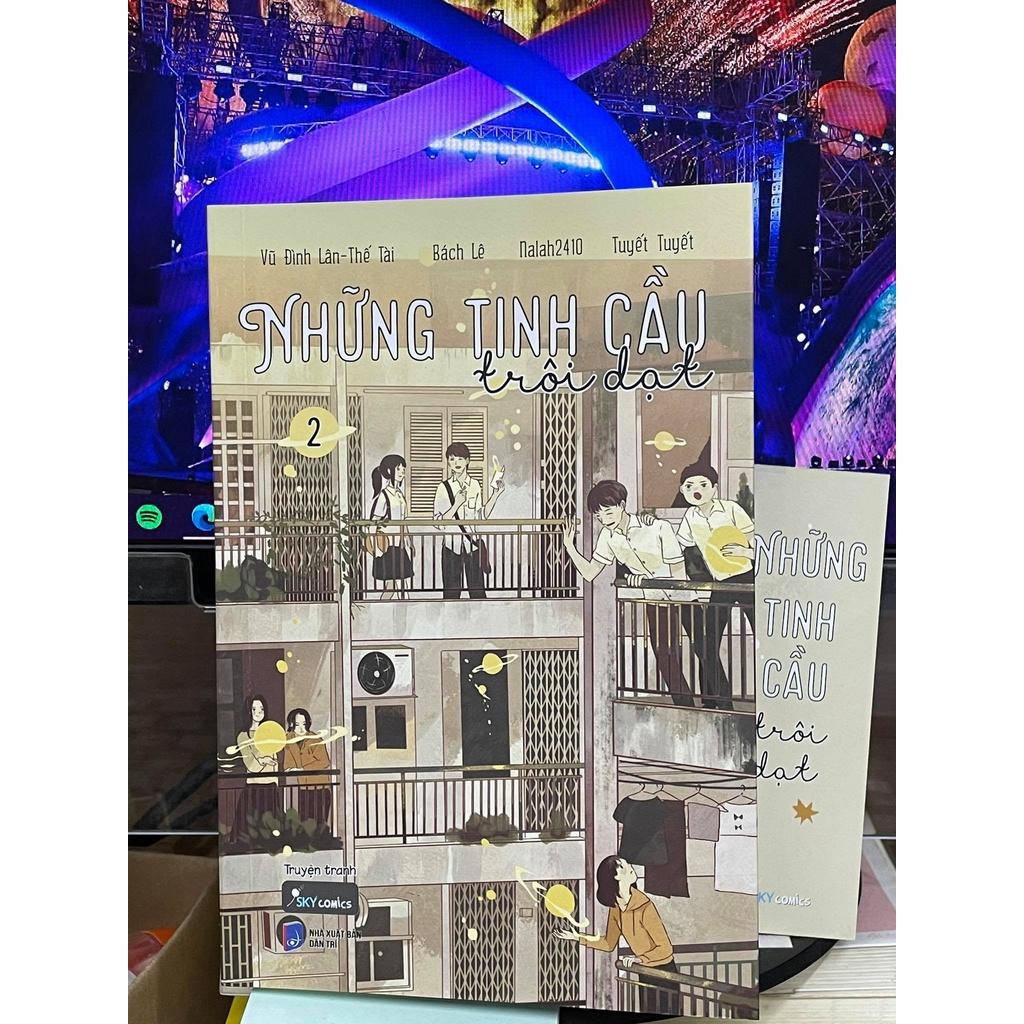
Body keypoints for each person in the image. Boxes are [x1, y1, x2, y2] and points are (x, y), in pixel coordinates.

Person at [561, 480, 696, 707]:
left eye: (608, 511)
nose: (604, 519)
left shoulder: (656, 527)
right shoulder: (608, 537)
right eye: (599, 516)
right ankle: (685, 704)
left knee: (702, 650)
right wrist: (569, 546)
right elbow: (590, 573)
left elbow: (678, 571)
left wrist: (648, 582)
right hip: (656, 601)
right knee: (664, 654)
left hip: (685, 597)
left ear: (622, 505)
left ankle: (716, 703)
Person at [672, 457, 755, 711]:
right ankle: (714, 700)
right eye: (689, 486)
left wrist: (746, 552)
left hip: (747, 578)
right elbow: (680, 549)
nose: (696, 490)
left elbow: (755, 540)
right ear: (682, 490)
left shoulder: (731, 509)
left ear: (714, 488)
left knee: (763, 635)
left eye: (702, 484)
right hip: (719, 583)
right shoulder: (689, 517)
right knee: (708, 643)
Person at [556, 856, 681, 1013]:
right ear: (614, 877)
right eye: (623, 867)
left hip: (664, 973)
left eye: (628, 864)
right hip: (645, 972)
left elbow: (665, 949)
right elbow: (609, 944)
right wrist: (577, 937)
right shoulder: (616, 908)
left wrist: (638, 959)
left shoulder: (645, 906)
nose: (630, 868)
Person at [433, 441, 503, 599]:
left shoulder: (475, 485)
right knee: (451, 594)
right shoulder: (443, 487)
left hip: (472, 545)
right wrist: (456, 505)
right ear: (448, 462)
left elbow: (480, 516)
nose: (456, 463)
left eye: (460, 458)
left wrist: (495, 495)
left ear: (467, 460)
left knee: (478, 593)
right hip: (451, 546)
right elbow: (438, 523)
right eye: (452, 459)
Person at [368, 453, 414, 598]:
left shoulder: (400, 495)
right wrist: (376, 549)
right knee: (396, 586)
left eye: (403, 469)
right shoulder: (383, 496)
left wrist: (409, 541)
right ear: (389, 471)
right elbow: (373, 523)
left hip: (399, 546)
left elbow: (403, 521)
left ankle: (389, 608)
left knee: (396, 586)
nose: (402, 472)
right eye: (398, 469)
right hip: (387, 546)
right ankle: (398, 607)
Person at [234, 695, 280, 836]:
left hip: (270, 785)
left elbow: (274, 762)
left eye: (261, 709)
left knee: (270, 829)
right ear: (248, 711)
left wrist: (275, 781)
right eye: (254, 709)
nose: (258, 712)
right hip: (254, 786)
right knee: (252, 829)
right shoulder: (243, 736)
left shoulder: (270, 733)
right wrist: (262, 759)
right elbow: (251, 765)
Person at [284, 708, 332, 824]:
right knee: (305, 822)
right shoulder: (288, 740)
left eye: (304, 724)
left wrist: (303, 768)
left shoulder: (315, 739)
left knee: (319, 822)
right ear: (291, 724)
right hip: (303, 788)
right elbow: (287, 763)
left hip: (320, 788)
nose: (301, 728)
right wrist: (291, 768)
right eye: (297, 724)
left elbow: (324, 761)